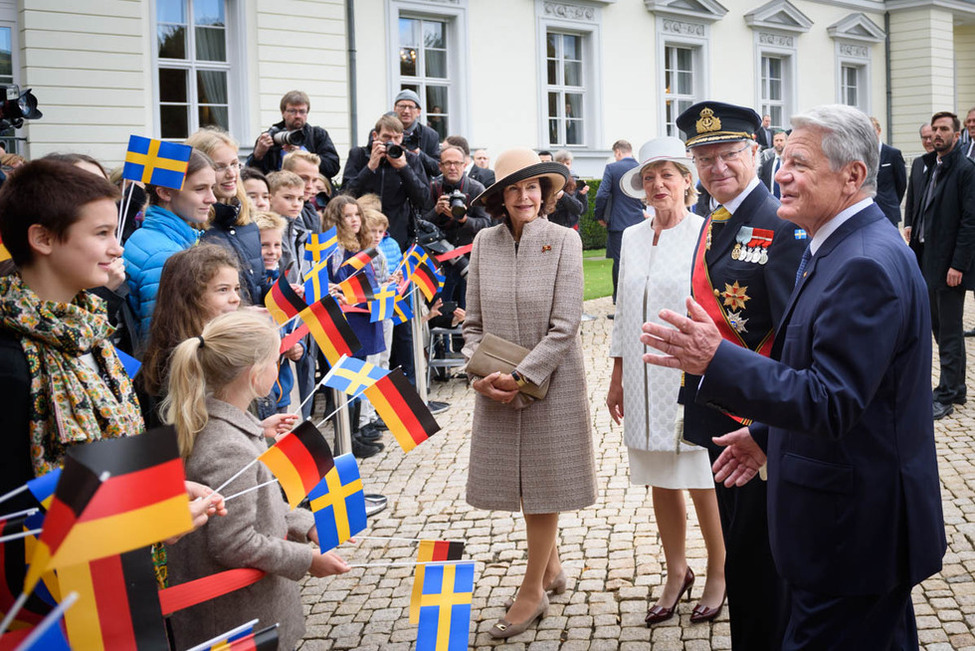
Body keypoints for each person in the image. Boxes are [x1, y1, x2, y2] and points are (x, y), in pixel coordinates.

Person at [642, 103, 946, 651]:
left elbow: (832, 401)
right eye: (782, 159)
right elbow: (827, 374)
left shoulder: (863, 264)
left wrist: (717, 359)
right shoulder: (839, 246)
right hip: (852, 523)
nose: (780, 174)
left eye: (798, 163)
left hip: (852, 532)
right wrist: (764, 436)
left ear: (852, 176)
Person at [674, 100, 806, 650]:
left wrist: (771, 427)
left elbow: (795, 337)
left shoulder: (781, 225)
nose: (717, 167)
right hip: (719, 409)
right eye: (705, 158)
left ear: (756, 152)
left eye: (728, 154)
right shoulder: (717, 221)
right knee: (740, 541)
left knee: (757, 554)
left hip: (756, 419)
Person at [463, 148, 597, 639]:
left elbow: (565, 327)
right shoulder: (483, 243)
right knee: (518, 485)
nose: (525, 196)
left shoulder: (564, 241)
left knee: (542, 485)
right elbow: (472, 323)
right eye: (515, 188)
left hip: (550, 384)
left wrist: (521, 378)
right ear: (500, 197)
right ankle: (554, 569)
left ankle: (532, 589)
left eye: (533, 187)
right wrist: (480, 374)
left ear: (547, 194)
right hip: (492, 386)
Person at [163, 311, 350, 649]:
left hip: (244, 609)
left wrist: (306, 524)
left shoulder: (228, 422)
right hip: (239, 618)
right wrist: (307, 560)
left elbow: (255, 500)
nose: (279, 368)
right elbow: (235, 542)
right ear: (253, 374)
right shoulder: (227, 447)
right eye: (275, 360)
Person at [607, 137, 725, 626]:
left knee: (700, 474)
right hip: (640, 372)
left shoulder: (706, 234)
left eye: (668, 175)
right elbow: (622, 309)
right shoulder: (632, 237)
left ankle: (720, 570)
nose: (658, 184)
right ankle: (677, 572)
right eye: (650, 177)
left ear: (686, 181)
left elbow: (718, 312)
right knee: (658, 474)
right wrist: (615, 375)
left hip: (688, 371)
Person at [0, 159, 143, 490]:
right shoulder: (10, 363)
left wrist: (163, 495)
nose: (117, 247)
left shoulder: (92, 333)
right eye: (101, 233)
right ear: (43, 239)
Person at [904, 111, 975, 419]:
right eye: (934, 128)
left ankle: (945, 393)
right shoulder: (931, 165)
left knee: (948, 330)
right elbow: (918, 205)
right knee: (939, 327)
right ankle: (957, 388)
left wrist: (958, 264)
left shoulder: (965, 169)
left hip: (949, 265)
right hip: (925, 258)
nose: (937, 133)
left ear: (957, 135)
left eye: (944, 129)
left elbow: (970, 222)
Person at [136, 243, 245, 428]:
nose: (236, 298)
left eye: (237, 288)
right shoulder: (182, 360)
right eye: (223, 290)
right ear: (190, 297)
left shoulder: (228, 344)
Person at [123, 149, 216, 339]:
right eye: (200, 189)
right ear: (165, 192)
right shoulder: (165, 257)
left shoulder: (150, 236)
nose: (212, 198)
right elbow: (164, 342)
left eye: (212, 188)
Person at [186, 128, 266, 305]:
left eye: (235, 164)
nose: (231, 174)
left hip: (253, 328)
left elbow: (259, 284)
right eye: (220, 167)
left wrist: (292, 294)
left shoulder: (248, 224)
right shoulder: (192, 231)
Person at [341, 114, 430, 250]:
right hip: (362, 229)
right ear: (376, 136)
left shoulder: (410, 159)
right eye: (387, 137)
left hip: (398, 231)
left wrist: (404, 168)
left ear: (402, 137)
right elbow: (345, 195)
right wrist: (370, 167)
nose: (392, 143)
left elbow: (424, 198)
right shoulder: (358, 155)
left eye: (396, 138)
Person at [421, 144, 490, 307]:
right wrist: (436, 211)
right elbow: (420, 224)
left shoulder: (476, 189)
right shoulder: (431, 188)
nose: (452, 167)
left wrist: (463, 219)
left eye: (457, 163)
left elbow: (486, 225)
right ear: (440, 166)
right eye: (447, 163)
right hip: (438, 259)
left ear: (464, 165)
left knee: (468, 309)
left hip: (468, 260)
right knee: (439, 308)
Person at [594, 140, 645, 311]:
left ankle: (619, 299)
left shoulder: (612, 168)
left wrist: (600, 216)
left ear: (617, 152)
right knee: (638, 260)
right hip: (639, 221)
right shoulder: (640, 167)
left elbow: (601, 195)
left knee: (620, 262)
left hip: (618, 223)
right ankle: (637, 295)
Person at [246, 90, 341, 180]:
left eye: (302, 111)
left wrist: (304, 154)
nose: (298, 116)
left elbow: (333, 167)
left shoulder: (317, 135)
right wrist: (258, 155)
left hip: (313, 191)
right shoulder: (269, 138)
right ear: (283, 113)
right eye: (292, 111)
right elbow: (251, 174)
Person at [391, 89, 442, 178]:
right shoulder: (383, 132)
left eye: (411, 107)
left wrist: (418, 153)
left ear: (418, 111)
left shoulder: (430, 135)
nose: (406, 111)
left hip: (419, 187)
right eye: (402, 106)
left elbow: (437, 169)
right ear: (395, 108)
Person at [869, 117, 907, 227]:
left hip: (888, 211)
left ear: (879, 131)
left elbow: (901, 183)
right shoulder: (861, 155)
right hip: (868, 211)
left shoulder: (893, 154)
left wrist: (891, 202)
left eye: (872, 130)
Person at [550, 149, 587, 230]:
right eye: (561, 163)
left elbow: (581, 209)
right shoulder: (551, 181)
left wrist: (583, 195)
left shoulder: (575, 181)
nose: (565, 166)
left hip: (572, 227)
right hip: (554, 227)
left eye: (567, 163)